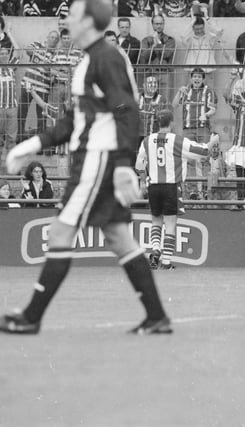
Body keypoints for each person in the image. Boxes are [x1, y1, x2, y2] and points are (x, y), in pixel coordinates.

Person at [0, 0, 171, 335]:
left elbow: (128, 111)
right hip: (97, 159)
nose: (67, 18)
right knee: (120, 237)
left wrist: (123, 165)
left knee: (62, 232)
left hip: (97, 161)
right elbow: (72, 121)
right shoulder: (90, 59)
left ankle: (31, 317)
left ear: (89, 21)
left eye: (74, 14)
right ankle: (156, 317)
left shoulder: (105, 57)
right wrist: (31, 145)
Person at [136, 109, 213, 269]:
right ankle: (166, 262)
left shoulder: (147, 141)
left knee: (156, 221)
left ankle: (156, 250)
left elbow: (139, 165)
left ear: (157, 123)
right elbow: (202, 151)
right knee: (170, 224)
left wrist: (144, 181)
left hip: (153, 186)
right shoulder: (177, 140)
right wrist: (213, 141)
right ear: (172, 123)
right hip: (171, 186)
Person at [172, 67, 217, 196]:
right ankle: (193, 190)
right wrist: (179, 93)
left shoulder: (209, 91)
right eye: (194, 76)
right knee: (190, 158)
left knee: (204, 158)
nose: (196, 78)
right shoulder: (186, 90)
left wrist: (206, 115)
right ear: (191, 78)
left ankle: (207, 189)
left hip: (203, 128)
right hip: (188, 129)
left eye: (199, 76)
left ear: (203, 78)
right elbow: (175, 104)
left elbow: (213, 109)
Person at [18, 30, 59, 141]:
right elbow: (28, 50)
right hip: (27, 84)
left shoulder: (56, 55)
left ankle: (41, 144)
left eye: (56, 38)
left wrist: (46, 65)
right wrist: (40, 54)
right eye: (51, 37)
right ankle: (19, 139)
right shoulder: (37, 44)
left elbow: (51, 71)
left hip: (43, 89)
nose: (53, 39)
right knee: (21, 113)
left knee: (42, 117)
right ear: (47, 37)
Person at [139, 14, 176, 102]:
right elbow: (144, 55)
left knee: (165, 101)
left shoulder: (170, 40)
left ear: (163, 24)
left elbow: (167, 54)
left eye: (161, 23)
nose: (159, 26)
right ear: (152, 24)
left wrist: (158, 43)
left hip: (164, 74)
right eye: (156, 24)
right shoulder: (145, 40)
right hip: (150, 74)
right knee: (149, 101)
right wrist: (153, 46)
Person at [0, 47, 17, 153]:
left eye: (6, 53)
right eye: (1, 54)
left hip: (12, 107)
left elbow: (19, 49)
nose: (4, 55)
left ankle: (11, 163)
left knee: (12, 138)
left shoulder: (12, 66)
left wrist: (9, 33)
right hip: (0, 107)